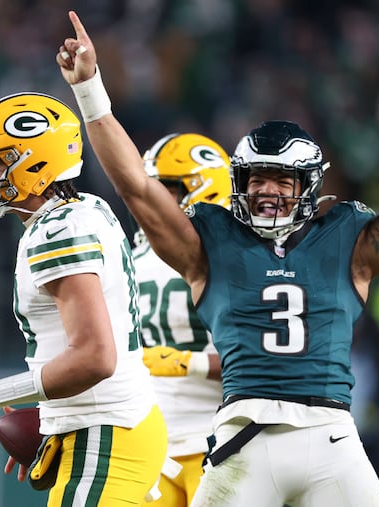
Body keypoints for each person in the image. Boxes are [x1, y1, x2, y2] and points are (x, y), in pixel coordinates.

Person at [57, 10, 379, 507]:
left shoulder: (347, 241)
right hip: (244, 439)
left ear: (307, 186)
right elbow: (136, 185)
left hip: (331, 436)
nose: (266, 191)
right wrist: (90, 87)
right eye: (255, 180)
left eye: (281, 180)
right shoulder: (211, 243)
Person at [0, 92, 167, 506]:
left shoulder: (57, 232)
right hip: (112, 427)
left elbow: (96, 356)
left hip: (104, 435)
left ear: (35, 164)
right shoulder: (86, 209)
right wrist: (56, 418)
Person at [134, 132, 229, 507]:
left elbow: (265, 357)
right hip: (151, 438)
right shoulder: (131, 254)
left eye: (163, 190)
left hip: (222, 437)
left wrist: (185, 363)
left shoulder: (234, 259)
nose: (148, 202)